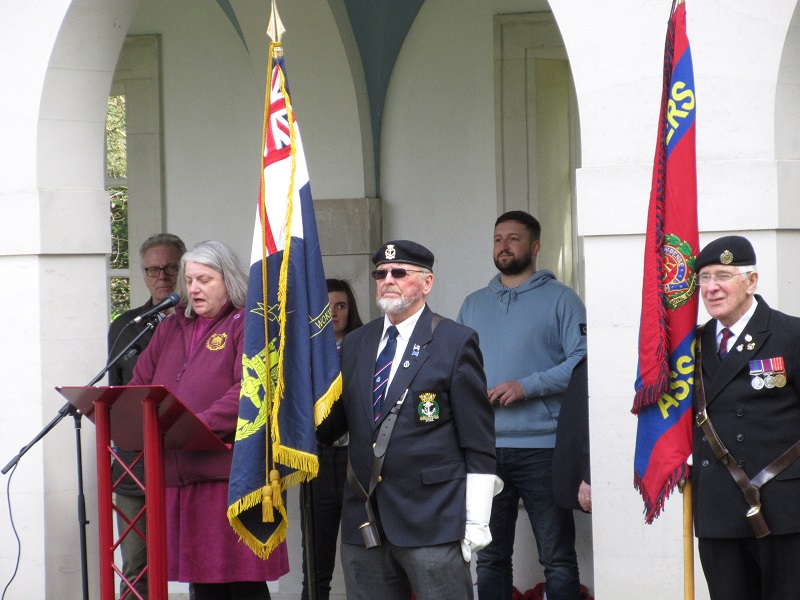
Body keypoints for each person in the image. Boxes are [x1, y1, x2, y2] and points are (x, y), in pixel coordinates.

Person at [318, 240, 497, 600]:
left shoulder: (453, 341)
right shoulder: (356, 343)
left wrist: (477, 519)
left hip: (431, 518)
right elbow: (333, 426)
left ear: (426, 283)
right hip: (365, 517)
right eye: (381, 274)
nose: (388, 280)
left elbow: (477, 440)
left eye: (399, 272)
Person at [129, 240, 288, 599]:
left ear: (227, 279)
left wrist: (192, 424)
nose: (194, 288)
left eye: (205, 279)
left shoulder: (249, 322)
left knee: (243, 580)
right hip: (181, 472)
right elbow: (140, 385)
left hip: (232, 475)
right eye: (190, 280)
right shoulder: (170, 328)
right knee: (201, 580)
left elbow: (250, 388)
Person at [457, 211, 586, 600]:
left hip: (543, 449)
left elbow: (582, 363)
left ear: (534, 247)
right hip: (485, 451)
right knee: (490, 555)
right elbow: (457, 368)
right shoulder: (473, 304)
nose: (503, 246)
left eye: (513, 239)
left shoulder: (562, 299)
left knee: (557, 557)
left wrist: (525, 387)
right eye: (498, 238)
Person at [692, 235, 800, 600]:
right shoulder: (692, 346)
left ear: (751, 281)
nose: (711, 288)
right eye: (704, 278)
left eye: (722, 275)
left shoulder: (791, 335)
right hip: (718, 509)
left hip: (784, 510)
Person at [107, 232, 186, 598]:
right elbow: (117, 396)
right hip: (134, 467)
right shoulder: (126, 326)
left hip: (187, 461)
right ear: (143, 273)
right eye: (152, 269)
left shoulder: (204, 321)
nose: (162, 277)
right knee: (136, 565)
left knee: (200, 561)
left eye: (170, 267)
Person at [300, 278, 363, 600]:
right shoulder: (304, 350)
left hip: (358, 461)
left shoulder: (366, 347)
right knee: (315, 564)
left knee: (364, 562)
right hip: (319, 460)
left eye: (341, 305)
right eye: (327, 307)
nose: (334, 313)